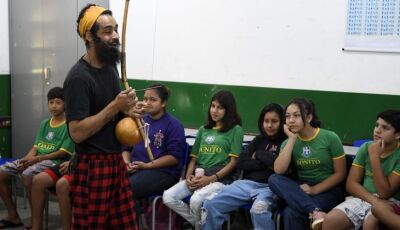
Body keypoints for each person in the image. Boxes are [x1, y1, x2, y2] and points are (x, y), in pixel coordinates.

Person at [63, 4, 142, 229]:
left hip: (116, 162)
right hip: (92, 167)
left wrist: (130, 110)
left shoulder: (110, 68)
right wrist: (115, 106)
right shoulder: (78, 78)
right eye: (107, 31)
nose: (115, 36)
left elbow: (113, 111)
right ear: (89, 36)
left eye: (115, 29)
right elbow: (76, 133)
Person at [163, 90, 243, 230]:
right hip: (199, 177)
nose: (214, 110)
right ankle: (200, 225)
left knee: (196, 200)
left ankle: (201, 226)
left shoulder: (236, 130)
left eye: (220, 107)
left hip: (220, 180)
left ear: (228, 110)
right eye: (212, 106)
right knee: (168, 196)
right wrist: (188, 177)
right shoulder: (203, 130)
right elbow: (193, 160)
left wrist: (211, 178)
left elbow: (233, 163)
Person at [201, 103, 287, 230]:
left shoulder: (286, 142)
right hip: (245, 184)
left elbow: (279, 167)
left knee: (259, 211)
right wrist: (268, 163)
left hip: (270, 188)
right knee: (210, 204)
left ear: (282, 122)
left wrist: (258, 154)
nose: (269, 125)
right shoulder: (258, 140)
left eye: (274, 121)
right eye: (266, 121)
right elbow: (241, 162)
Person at [0, 87, 74, 229]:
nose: (53, 106)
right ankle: (13, 216)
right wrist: (26, 160)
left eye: (58, 102)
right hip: (37, 159)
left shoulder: (68, 125)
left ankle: (36, 222)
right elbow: (35, 147)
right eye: (50, 102)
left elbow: (62, 153)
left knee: (27, 175)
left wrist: (35, 160)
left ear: (65, 104)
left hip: (53, 161)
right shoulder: (44, 123)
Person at [268, 98, 346, 230]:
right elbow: (279, 170)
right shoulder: (288, 142)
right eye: (287, 116)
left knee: (291, 213)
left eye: (296, 115)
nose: (291, 120)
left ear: (309, 117)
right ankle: (315, 212)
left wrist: (314, 190)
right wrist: (292, 139)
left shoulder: (330, 137)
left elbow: (340, 174)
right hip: (302, 188)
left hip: (328, 190)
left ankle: (314, 211)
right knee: (273, 179)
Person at [322, 110, 400, 230]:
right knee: (329, 221)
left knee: (371, 222)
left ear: (397, 135)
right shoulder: (366, 147)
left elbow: (385, 193)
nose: (378, 130)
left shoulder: (395, 154)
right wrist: (374, 200)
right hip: (364, 197)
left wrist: (374, 157)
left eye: (385, 128)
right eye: (376, 125)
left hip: (389, 202)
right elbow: (351, 184)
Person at [122, 83, 186, 199]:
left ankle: (133, 217)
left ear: (163, 103)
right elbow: (126, 148)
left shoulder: (174, 125)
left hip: (162, 173)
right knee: (112, 184)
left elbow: (174, 157)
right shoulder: (138, 120)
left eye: (153, 100)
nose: (147, 103)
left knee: (128, 188)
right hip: (136, 169)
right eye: (145, 99)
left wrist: (147, 166)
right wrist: (126, 162)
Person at [30, 156, 75, 230]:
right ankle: (36, 227)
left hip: (84, 163)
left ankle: (66, 227)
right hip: (72, 159)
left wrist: (73, 163)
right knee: (38, 180)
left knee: (62, 185)